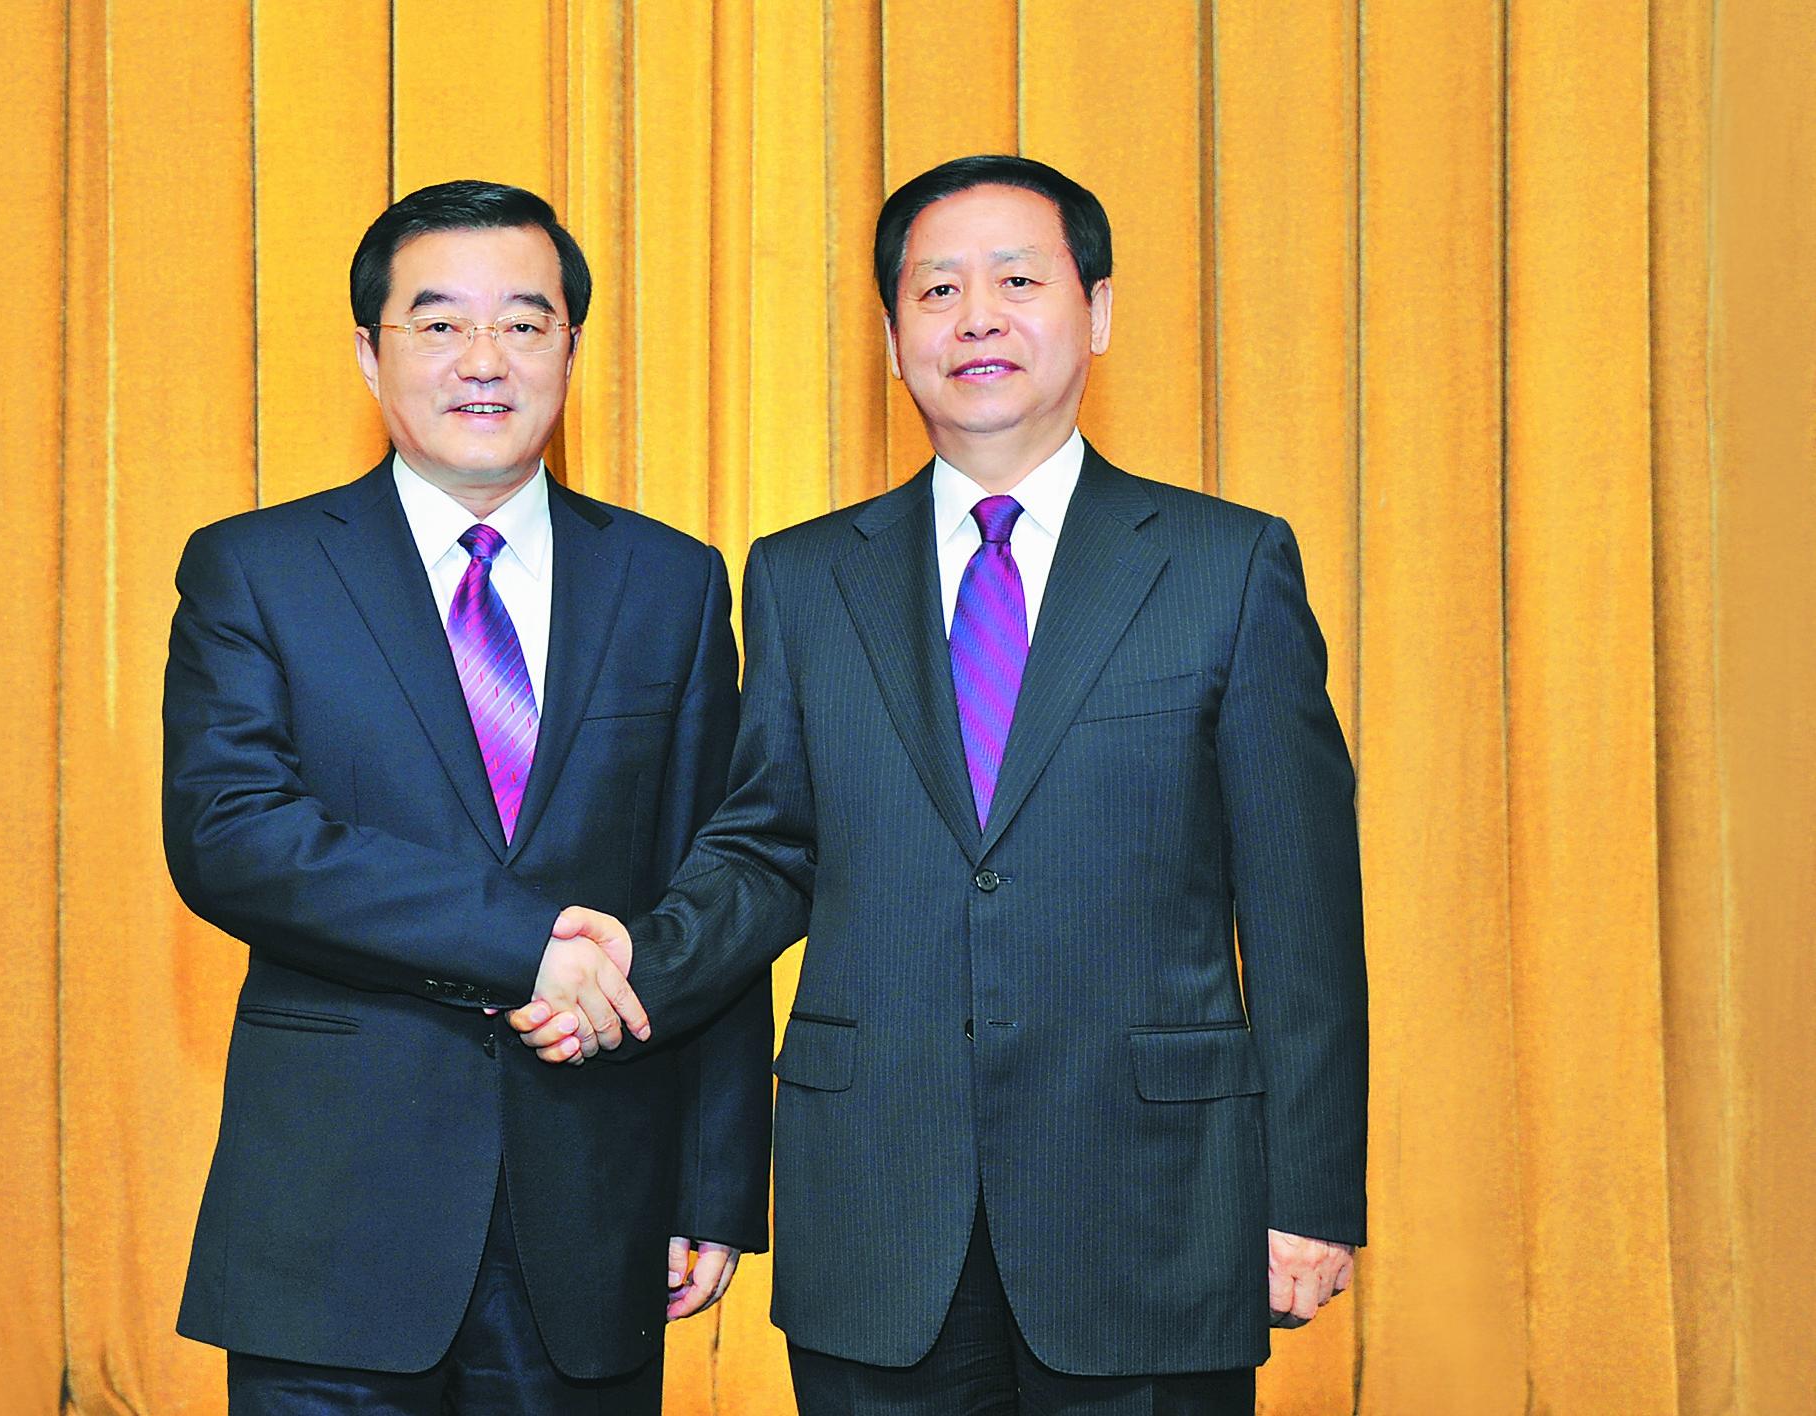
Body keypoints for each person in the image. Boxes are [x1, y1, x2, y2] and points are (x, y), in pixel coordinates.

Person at [514, 155, 1368, 1414]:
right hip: (875, 1209)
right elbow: (766, 850)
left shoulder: (1224, 566)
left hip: (1150, 1207)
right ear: (890, 335)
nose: (976, 319)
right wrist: (636, 957)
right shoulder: (803, 577)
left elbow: (1301, 908)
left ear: (1096, 311)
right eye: (936, 290)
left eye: (1017, 282)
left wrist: (1308, 1192)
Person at [161, 180, 771, 1414]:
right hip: (334, 1221)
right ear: (369, 352)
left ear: (569, 349)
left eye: (523, 324)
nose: (482, 360)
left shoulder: (670, 580)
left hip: (593, 1209)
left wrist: (710, 1181)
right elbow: (232, 834)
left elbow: (710, 879)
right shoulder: (257, 569)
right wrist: (524, 943)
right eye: (438, 324)